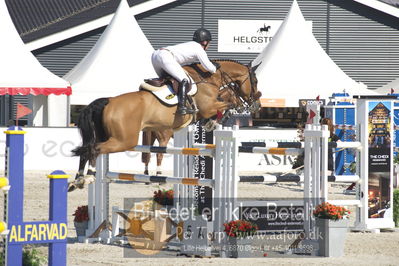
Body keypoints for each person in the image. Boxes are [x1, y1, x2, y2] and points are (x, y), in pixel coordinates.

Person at [151, 28, 220, 115]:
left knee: (167, 81)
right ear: (205, 42)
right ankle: (181, 107)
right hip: (165, 57)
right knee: (184, 80)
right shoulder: (198, 49)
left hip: (155, 55)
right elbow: (210, 68)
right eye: (209, 42)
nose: (209, 45)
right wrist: (215, 67)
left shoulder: (191, 45)